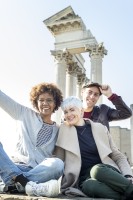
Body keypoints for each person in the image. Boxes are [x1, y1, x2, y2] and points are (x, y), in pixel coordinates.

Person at [54, 96, 133, 200]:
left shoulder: (100, 129)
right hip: (83, 179)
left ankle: (130, 188)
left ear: (81, 111)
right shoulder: (63, 131)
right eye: (65, 112)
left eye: (72, 110)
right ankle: (126, 196)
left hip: (106, 172)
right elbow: (58, 160)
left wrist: (128, 175)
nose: (69, 114)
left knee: (96, 170)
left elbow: (118, 155)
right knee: (89, 186)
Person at [0, 82, 64, 197]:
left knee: (58, 164)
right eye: (41, 100)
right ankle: (26, 185)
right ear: (36, 102)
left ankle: (15, 183)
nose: (45, 103)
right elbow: (2, 98)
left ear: (55, 103)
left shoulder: (59, 130)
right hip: (16, 166)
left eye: (49, 100)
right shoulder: (23, 113)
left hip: (39, 171)